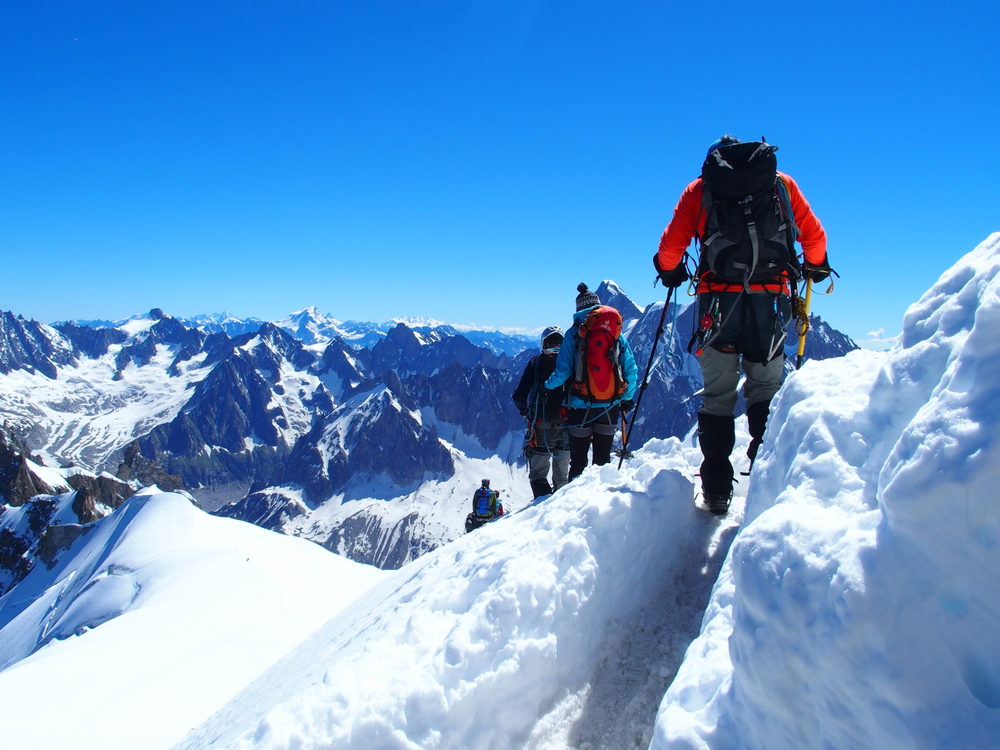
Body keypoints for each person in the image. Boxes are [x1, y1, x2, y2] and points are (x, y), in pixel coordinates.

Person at [654, 135, 830, 514]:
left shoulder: (700, 190)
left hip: (716, 305)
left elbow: (671, 248)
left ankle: (717, 490)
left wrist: (668, 271)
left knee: (719, 395)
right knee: (765, 387)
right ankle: (768, 487)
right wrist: (815, 263)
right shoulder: (781, 185)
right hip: (770, 302)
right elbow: (814, 236)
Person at [543, 283, 639, 481]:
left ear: (578, 309)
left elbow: (563, 372)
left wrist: (547, 386)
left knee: (578, 462)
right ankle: (601, 504)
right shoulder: (616, 335)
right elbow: (630, 369)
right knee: (602, 460)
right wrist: (626, 398)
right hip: (610, 406)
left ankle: (575, 506)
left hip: (579, 406)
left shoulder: (573, 333)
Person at [512, 326, 571, 499]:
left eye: (557, 346)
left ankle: (543, 509)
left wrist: (525, 412)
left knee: (538, 474)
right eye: (552, 345)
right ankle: (562, 510)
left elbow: (519, 396)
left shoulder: (535, 364)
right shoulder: (572, 363)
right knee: (562, 477)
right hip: (569, 426)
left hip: (541, 427)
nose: (554, 350)